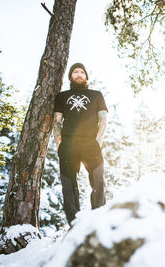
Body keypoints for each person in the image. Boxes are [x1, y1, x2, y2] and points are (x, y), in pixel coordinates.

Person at [52, 62, 108, 226]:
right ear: (70, 76)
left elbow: (103, 118)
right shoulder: (62, 96)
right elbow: (57, 121)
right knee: (68, 185)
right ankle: (74, 223)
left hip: (91, 143)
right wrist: (59, 143)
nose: (78, 74)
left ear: (86, 77)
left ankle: (99, 218)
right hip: (68, 144)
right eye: (75, 72)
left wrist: (98, 140)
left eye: (81, 72)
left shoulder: (96, 95)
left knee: (98, 180)